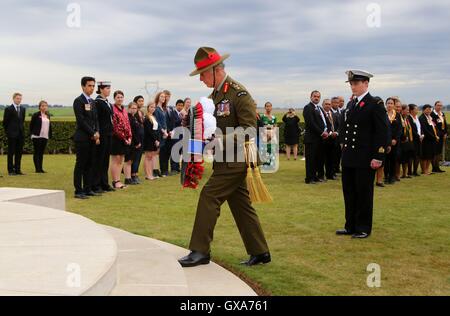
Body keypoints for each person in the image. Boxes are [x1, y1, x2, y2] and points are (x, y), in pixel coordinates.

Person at [178, 47, 270, 268]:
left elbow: (249, 130)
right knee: (241, 205)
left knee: (209, 196)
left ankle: (200, 251)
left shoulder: (239, 93)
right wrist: (191, 124)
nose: (200, 78)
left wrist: (218, 140)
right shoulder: (215, 96)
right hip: (225, 160)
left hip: (238, 159)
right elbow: (209, 124)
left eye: (202, 74)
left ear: (215, 70)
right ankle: (260, 252)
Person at [336, 70, 388, 239]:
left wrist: (379, 156)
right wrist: (342, 143)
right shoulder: (351, 104)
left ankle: (363, 227)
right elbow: (344, 127)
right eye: (351, 84)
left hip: (366, 158)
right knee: (349, 192)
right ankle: (350, 225)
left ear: (366, 83)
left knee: (364, 193)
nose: (353, 86)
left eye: (356, 83)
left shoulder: (375, 104)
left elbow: (383, 132)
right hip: (350, 156)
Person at [72, 77, 100, 199]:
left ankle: (88, 188)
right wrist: (92, 133)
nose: (92, 88)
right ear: (83, 86)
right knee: (81, 164)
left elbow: (96, 119)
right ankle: (78, 190)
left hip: (93, 138)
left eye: (93, 86)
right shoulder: (78, 101)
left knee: (90, 164)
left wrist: (97, 132)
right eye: (89, 85)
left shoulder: (93, 102)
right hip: (82, 138)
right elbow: (81, 121)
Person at [92, 81, 115, 193]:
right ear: (101, 89)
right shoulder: (97, 102)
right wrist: (97, 134)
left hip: (109, 134)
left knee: (105, 160)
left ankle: (104, 183)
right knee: (99, 160)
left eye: (109, 88)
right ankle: (96, 185)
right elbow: (96, 119)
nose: (109, 90)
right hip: (102, 134)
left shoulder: (107, 103)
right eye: (106, 88)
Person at [303, 90, 328, 184]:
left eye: (318, 96)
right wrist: (322, 133)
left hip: (319, 139)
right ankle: (309, 179)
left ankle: (316, 177)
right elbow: (311, 123)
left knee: (318, 159)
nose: (316, 98)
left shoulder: (320, 108)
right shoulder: (308, 108)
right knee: (311, 160)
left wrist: (326, 131)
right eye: (315, 96)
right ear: (311, 97)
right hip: (311, 139)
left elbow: (323, 121)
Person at [110, 90, 132, 189]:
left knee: (121, 160)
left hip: (125, 139)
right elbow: (115, 125)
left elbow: (127, 124)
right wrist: (124, 137)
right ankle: (115, 181)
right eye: (118, 97)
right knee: (116, 160)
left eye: (121, 97)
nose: (120, 99)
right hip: (116, 138)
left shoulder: (124, 109)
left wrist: (129, 137)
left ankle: (119, 180)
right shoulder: (113, 109)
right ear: (114, 98)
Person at [3, 92, 26, 176]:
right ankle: (10, 170)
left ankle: (18, 169)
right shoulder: (8, 109)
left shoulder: (23, 109)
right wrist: (8, 132)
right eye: (17, 98)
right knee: (11, 152)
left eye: (20, 98)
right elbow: (5, 122)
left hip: (20, 134)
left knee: (19, 152)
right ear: (13, 99)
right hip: (12, 134)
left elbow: (22, 121)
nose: (19, 100)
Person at [30, 100, 52, 173]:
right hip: (36, 136)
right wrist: (32, 134)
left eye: (45, 106)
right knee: (37, 152)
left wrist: (50, 135)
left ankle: (41, 168)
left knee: (41, 153)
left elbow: (49, 126)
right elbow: (31, 125)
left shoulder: (48, 115)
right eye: (42, 106)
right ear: (39, 107)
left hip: (45, 136)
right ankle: (37, 169)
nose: (44, 107)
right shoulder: (36, 115)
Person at [320, 99, 339, 180]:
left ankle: (330, 174)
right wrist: (329, 133)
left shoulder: (334, 115)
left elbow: (339, 126)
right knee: (323, 159)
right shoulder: (321, 114)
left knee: (332, 158)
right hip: (324, 140)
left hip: (334, 140)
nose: (328, 105)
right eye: (326, 104)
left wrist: (337, 133)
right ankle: (321, 175)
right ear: (323, 105)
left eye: (329, 104)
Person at [124, 102, 142, 185]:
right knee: (128, 160)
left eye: (135, 108)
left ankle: (130, 177)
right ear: (129, 108)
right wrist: (137, 142)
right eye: (132, 108)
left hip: (135, 142)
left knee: (131, 160)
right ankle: (128, 178)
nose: (134, 110)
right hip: (131, 142)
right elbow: (132, 132)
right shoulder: (129, 118)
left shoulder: (134, 117)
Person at [384, 97, 402, 184]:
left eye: (391, 103)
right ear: (385, 104)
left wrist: (395, 139)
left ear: (394, 105)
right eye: (388, 103)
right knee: (385, 159)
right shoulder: (383, 114)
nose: (390, 105)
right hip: (385, 141)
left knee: (393, 159)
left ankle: (392, 176)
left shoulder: (397, 115)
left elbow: (399, 129)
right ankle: (386, 176)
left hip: (394, 142)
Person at [143, 101, 160, 180]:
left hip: (154, 139)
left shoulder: (153, 116)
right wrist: (155, 140)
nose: (153, 108)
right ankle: (148, 175)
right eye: (151, 107)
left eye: (154, 107)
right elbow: (149, 131)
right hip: (149, 140)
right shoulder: (146, 117)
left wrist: (157, 139)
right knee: (148, 157)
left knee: (151, 157)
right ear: (148, 108)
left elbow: (156, 130)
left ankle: (150, 174)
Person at [419, 104, 439, 175]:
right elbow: (425, 130)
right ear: (423, 110)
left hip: (432, 140)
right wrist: (434, 137)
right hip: (426, 140)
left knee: (430, 155)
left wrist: (437, 135)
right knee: (425, 156)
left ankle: (427, 169)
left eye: (430, 109)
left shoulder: (430, 117)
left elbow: (434, 127)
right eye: (427, 109)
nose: (429, 111)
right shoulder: (422, 118)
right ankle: (424, 170)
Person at [167, 99, 184, 174]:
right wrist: (181, 119)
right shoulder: (173, 113)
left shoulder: (181, 114)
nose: (180, 107)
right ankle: (173, 168)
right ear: (176, 105)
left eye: (181, 106)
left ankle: (177, 167)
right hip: (175, 135)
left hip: (181, 135)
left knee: (179, 151)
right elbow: (175, 122)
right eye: (179, 105)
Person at [131, 95, 146, 183]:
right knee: (135, 157)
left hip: (142, 138)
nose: (141, 102)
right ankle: (133, 175)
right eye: (139, 101)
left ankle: (136, 174)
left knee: (139, 157)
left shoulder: (141, 112)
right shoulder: (134, 113)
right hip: (136, 139)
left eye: (142, 101)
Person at [153, 91, 168, 177]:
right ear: (158, 97)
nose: (163, 98)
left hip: (163, 133)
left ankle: (156, 169)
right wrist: (163, 131)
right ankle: (155, 170)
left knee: (158, 152)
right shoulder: (156, 109)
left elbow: (164, 122)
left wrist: (166, 131)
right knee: (155, 152)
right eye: (161, 96)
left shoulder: (162, 108)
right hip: (159, 132)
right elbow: (157, 122)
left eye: (164, 97)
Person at [431, 101, 448, 173]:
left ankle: (437, 167)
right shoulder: (432, 114)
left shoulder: (442, 114)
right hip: (436, 136)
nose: (439, 107)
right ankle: (434, 167)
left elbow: (445, 124)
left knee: (439, 152)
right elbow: (434, 126)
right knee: (434, 152)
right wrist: (439, 134)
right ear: (435, 106)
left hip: (442, 136)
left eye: (441, 105)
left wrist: (445, 133)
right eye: (438, 105)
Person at [399, 105, 415, 178]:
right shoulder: (400, 118)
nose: (408, 111)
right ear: (402, 110)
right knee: (401, 159)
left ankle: (405, 174)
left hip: (408, 141)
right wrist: (403, 137)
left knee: (406, 158)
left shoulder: (407, 119)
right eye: (407, 110)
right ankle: (398, 174)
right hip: (402, 142)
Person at [407, 104, 423, 176]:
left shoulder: (417, 117)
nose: (417, 110)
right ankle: (409, 171)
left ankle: (415, 171)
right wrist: (418, 136)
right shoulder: (409, 118)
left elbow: (420, 127)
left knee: (417, 155)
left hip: (419, 139)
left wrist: (422, 135)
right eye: (416, 109)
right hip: (412, 139)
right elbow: (411, 130)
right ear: (411, 110)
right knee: (411, 156)